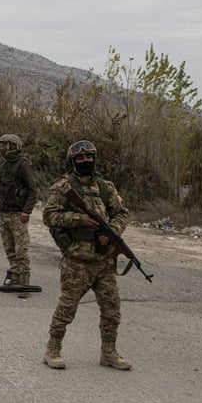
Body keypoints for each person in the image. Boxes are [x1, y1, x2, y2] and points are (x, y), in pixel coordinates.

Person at [42, 140, 131, 371]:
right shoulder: (63, 188)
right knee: (67, 308)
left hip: (104, 261)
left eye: (89, 157)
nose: (86, 161)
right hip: (77, 261)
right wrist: (78, 219)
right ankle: (53, 349)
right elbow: (49, 216)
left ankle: (109, 352)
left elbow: (122, 214)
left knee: (112, 310)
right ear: (72, 162)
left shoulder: (105, 187)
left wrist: (112, 232)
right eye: (80, 158)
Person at [0, 134, 38, 298]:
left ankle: (24, 284)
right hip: (5, 213)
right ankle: (15, 278)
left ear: (13, 146)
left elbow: (33, 190)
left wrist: (27, 211)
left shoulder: (23, 165)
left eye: (4, 145)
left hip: (18, 214)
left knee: (21, 252)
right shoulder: (5, 165)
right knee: (10, 250)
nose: (1, 148)